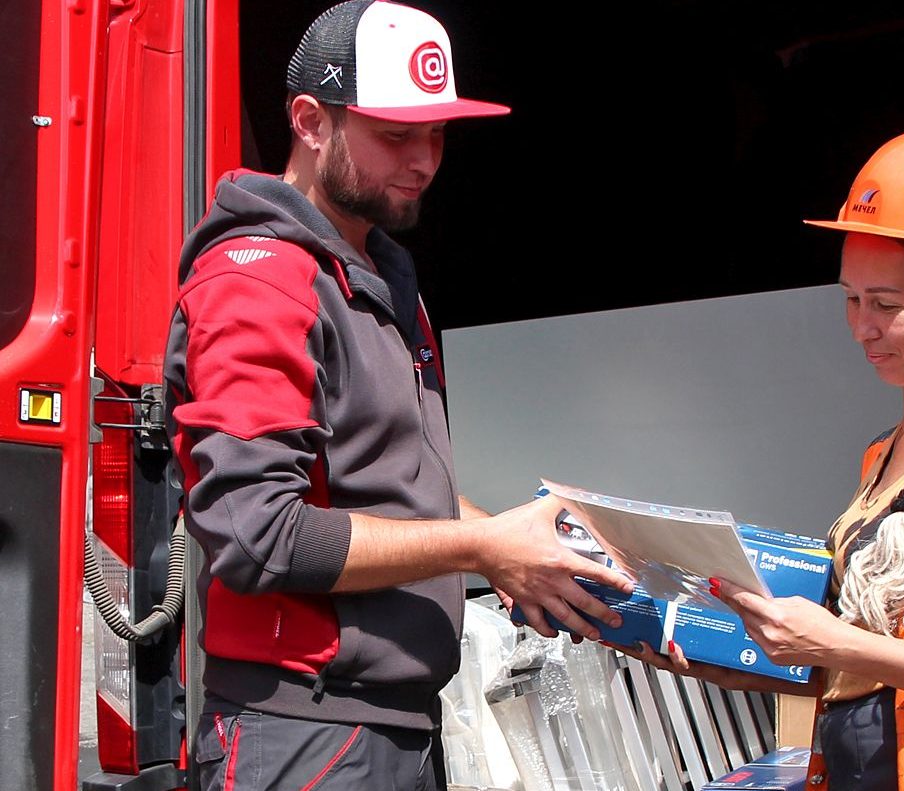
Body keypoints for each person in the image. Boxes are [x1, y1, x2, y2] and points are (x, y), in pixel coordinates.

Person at [163, 2, 632, 788]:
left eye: (438, 133)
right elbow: (255, 534)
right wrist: (485, 545)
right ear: (310, 121)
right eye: (395, 134)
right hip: (303, 733)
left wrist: (522, 548)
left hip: (389, 728)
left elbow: (391, 489)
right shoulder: (259, 279)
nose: (423, 160)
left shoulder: (378, 276)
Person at [611, 127, 904, 791]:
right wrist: (708, 652)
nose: (860, 326)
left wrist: (831, 642)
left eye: (885, 304)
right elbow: (859, 666)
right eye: (850, 298)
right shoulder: (883, 452)